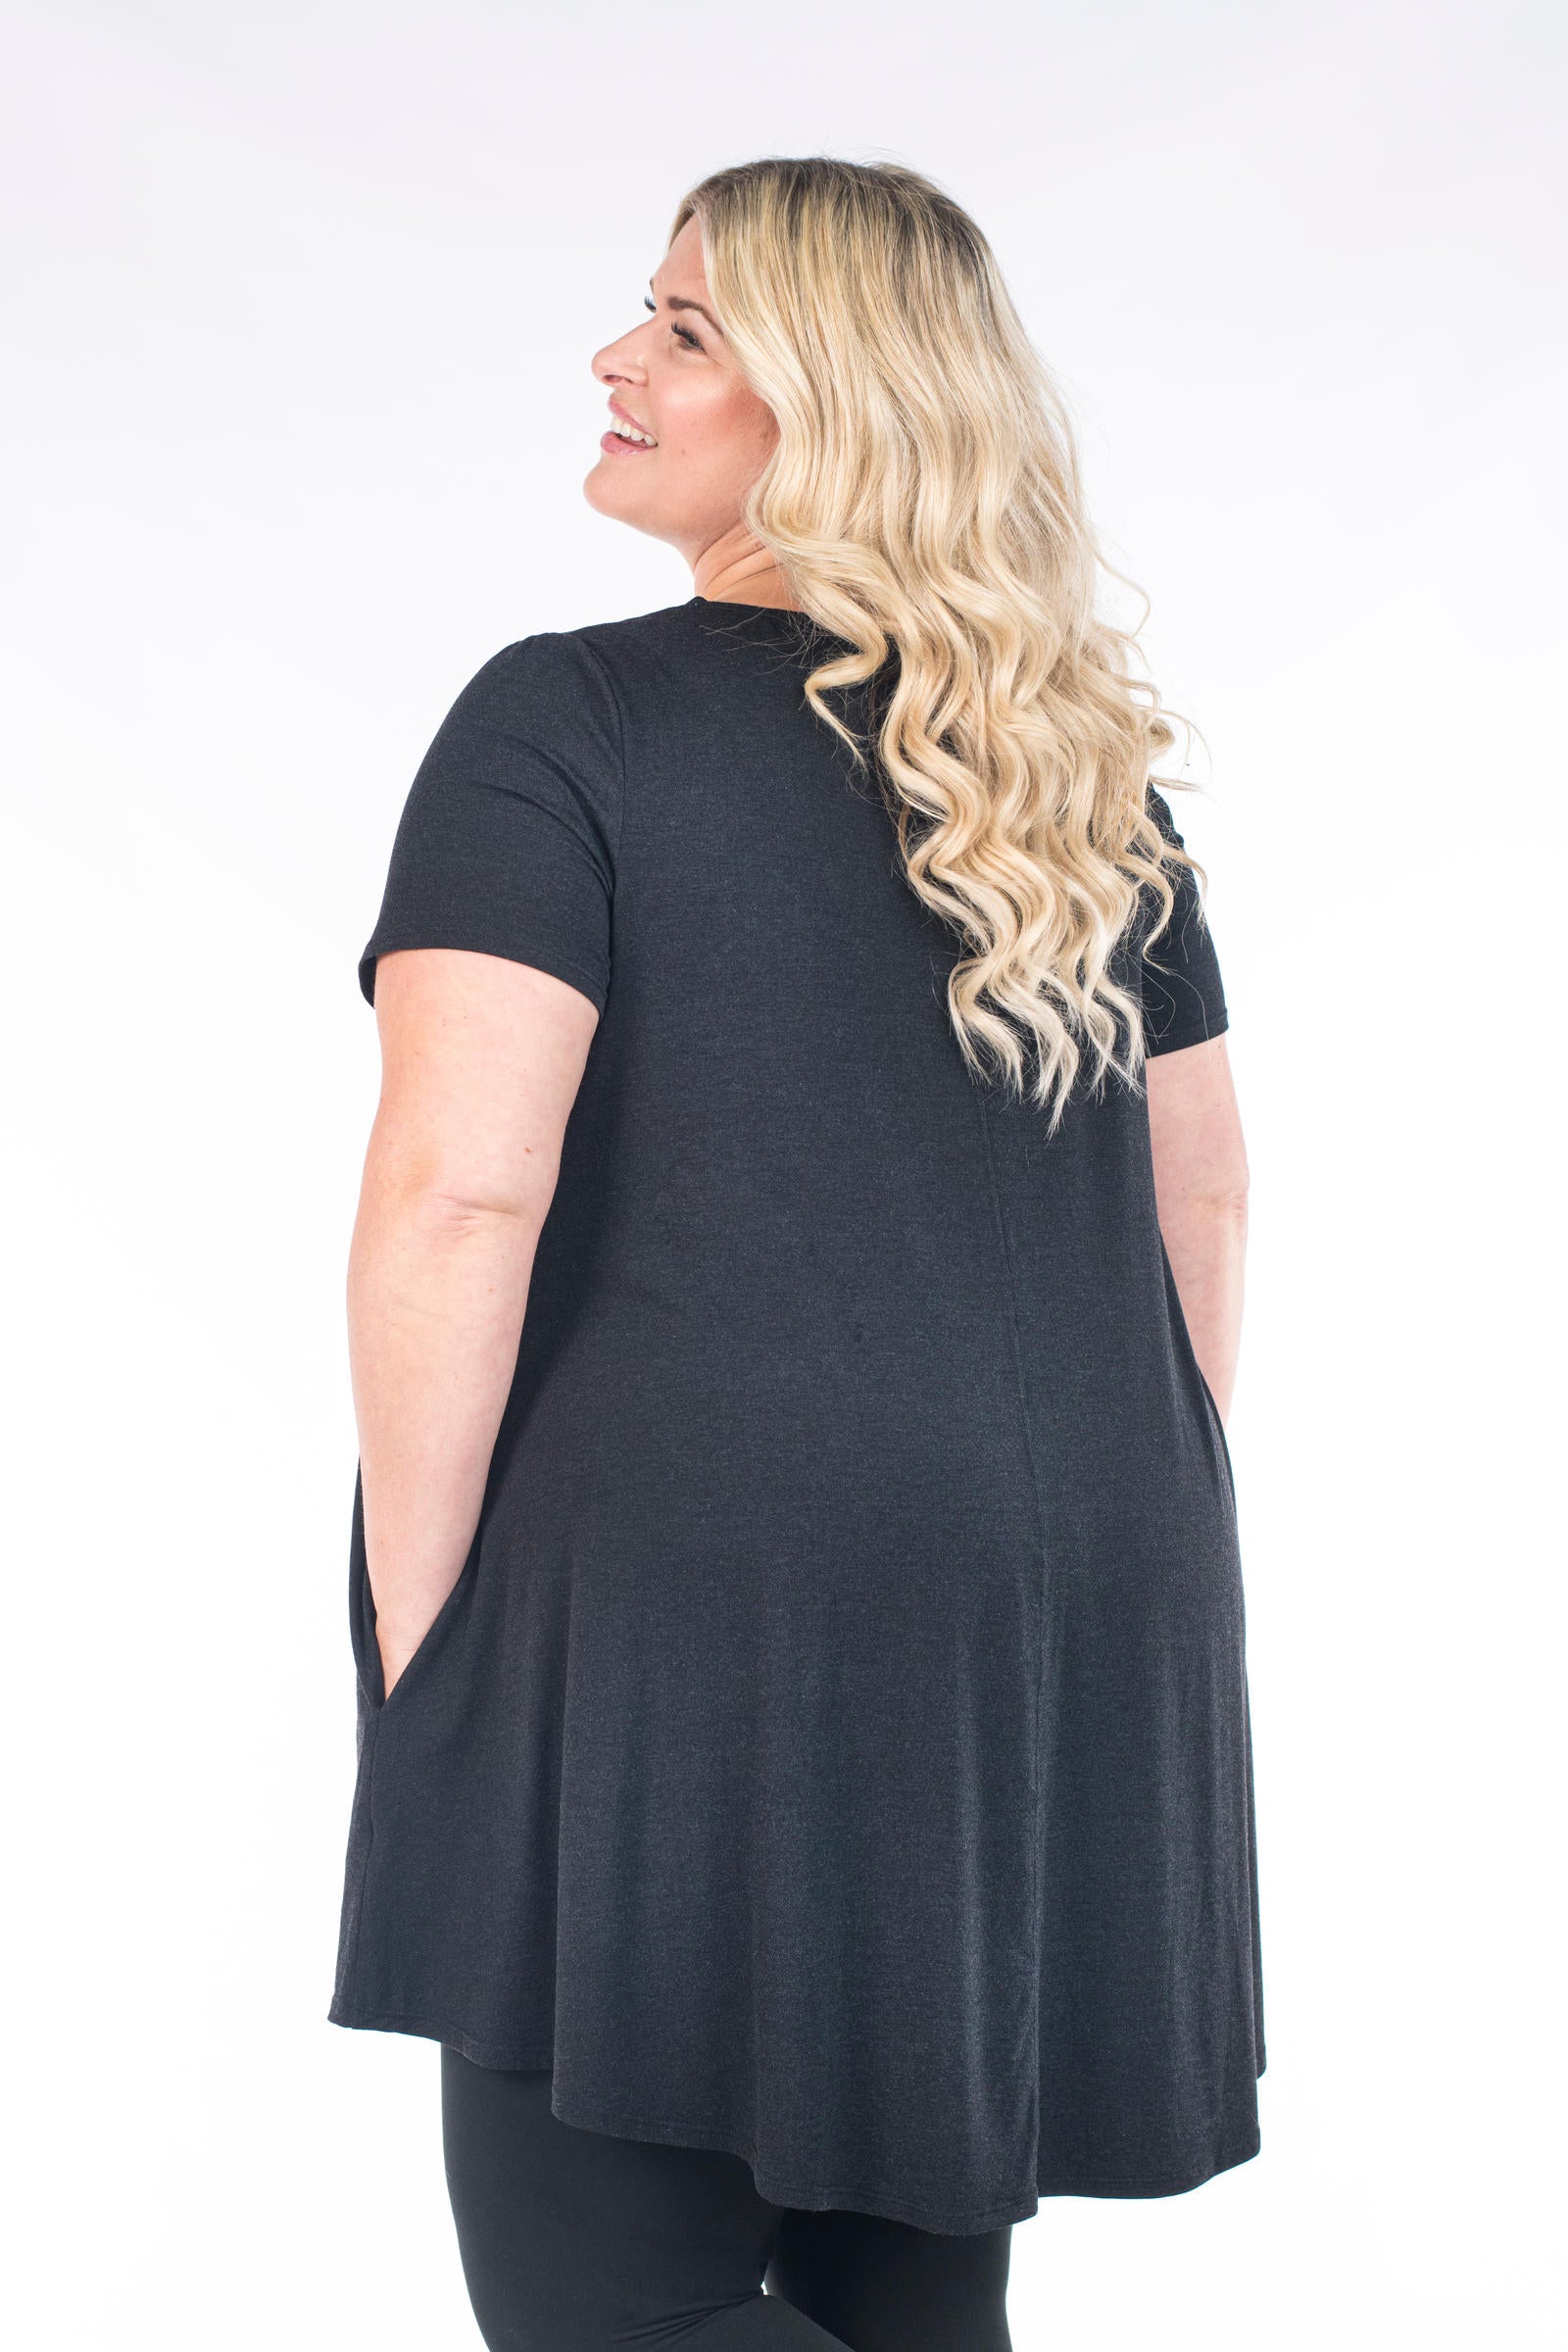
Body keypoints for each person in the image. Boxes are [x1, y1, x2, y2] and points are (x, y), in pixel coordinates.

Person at [328, 155, 1264, 2352]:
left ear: (833, 400)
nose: (616, 356)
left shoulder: (569, 720)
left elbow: (460, 1191)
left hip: (675, 1599)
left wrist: (422, 1619)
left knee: (607, 2312)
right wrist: (1060, 1522)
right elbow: (1203, 1194)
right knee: (907, 2291)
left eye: (684, 326)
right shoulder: (1064, 777)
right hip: (1041, 1601)